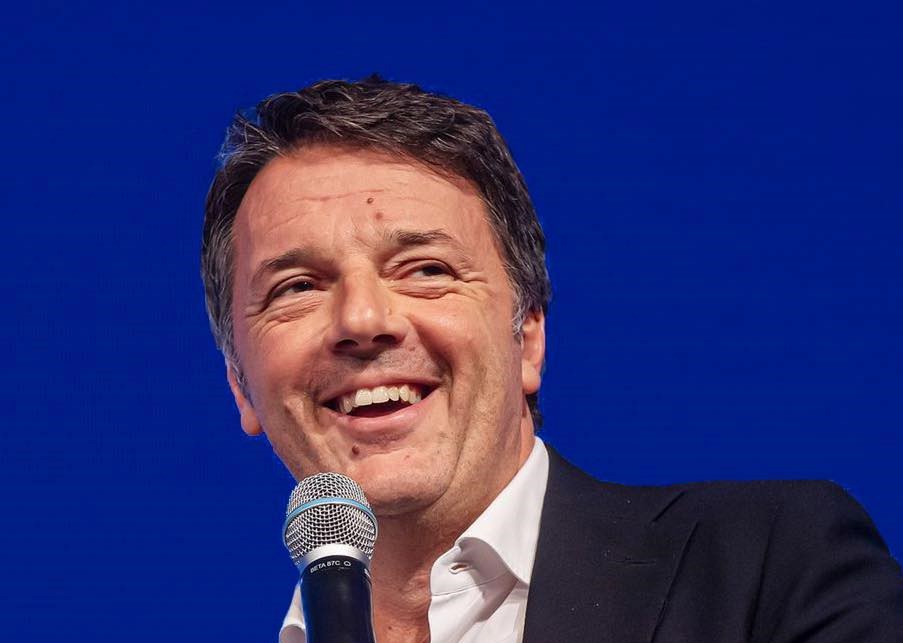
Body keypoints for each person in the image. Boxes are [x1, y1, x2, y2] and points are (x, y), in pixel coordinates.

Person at [201, 76, 902, 642]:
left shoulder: (768, 571)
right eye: (297, 288)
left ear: (528, 334)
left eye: (425, 270)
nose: (362, 321)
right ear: (239, 384)